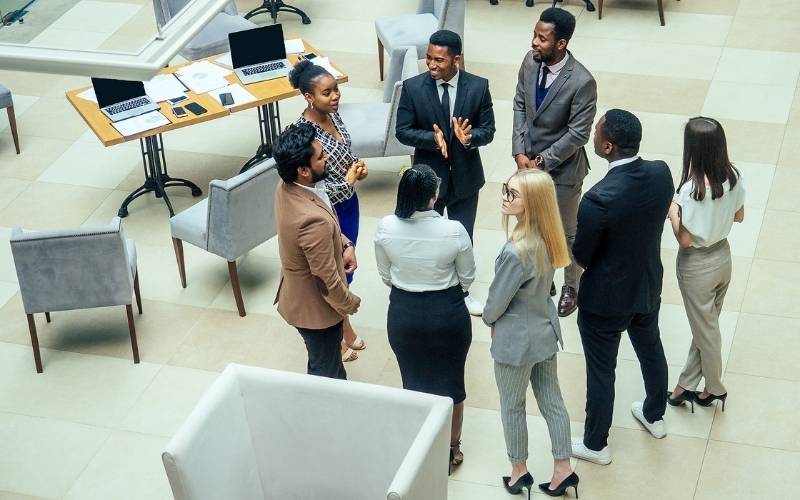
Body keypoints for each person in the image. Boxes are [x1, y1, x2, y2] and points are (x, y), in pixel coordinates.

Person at [571, 109, 674, 465]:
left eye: (597, 131)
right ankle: (654, 414)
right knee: (651, 349)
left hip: (606, 300)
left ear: (608, 146)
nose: (594, 134)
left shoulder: (599, 198)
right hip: (647, 286)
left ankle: (596, 444)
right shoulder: (662, 173)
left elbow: (582, 255)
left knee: (602, 370)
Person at [483, 169, 578, 499]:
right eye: (505, 190)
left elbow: (495, 304)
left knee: (512, 405)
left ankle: (519, 471)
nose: (505, 198)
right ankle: (563, 469)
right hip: (545, 331)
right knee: (552, 401)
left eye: (512, 193)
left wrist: (487, 318)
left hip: (515, 342)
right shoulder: (549, 236)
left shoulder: (516, 252)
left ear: (532, 202)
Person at [374, 164, 475, 472]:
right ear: (435, 195)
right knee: (453, 384)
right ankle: (451, 449)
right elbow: (467, 277)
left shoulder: (385, 227)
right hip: (448, 314)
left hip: (404, 314)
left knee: (413, 381)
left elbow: (385, 275)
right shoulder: (454, 230)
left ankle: (420, 445)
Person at [395, 29, 496, 317]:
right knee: (426, 238)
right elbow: (401, 131)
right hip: (429, 180)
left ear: (456, 60)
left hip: (466, 179)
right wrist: (431, 138)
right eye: (428, 58)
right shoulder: (413, 88)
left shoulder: (478, 87)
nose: (431, 65)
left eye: (438, 60)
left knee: (463, 238)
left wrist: (469, 139)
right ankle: (429, 287)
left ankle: (462, 291)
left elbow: (488, 130)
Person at [512, 7, 597, 318]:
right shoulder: (528, 62)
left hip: (562, 170)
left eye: (541, 38)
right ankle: (542, 277)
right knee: (531, 224)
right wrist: (519, 152)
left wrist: (540, 162)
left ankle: (570, 286)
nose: (534, 42)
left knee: (566, 232)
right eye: (535, 34)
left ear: (560, 44)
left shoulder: (582, 81)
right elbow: (520, 104)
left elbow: (578, 134)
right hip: (527, 162)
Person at [288, 59, 369, 364]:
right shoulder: (304, 133)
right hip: (327, 210)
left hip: (350, 203)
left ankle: (344, 325)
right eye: (327, 93)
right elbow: (312, 186)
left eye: (336, 90)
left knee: (346, 267)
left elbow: (345, 151)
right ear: (309, 97)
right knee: (333, 273)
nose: (335, 96)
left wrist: (356, 168)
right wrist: (348, 181)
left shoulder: (333, 116)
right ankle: (337, 333)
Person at [666, 117, 745, 413]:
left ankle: (714, 387)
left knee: (706, 331)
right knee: (706, 327)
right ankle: (685, 385)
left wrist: (673, 211)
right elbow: (738, 217)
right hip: (723, 259)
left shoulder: (690, 190)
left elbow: (684, 240)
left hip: (697, 267)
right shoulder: (734, 175)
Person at [272, 122, 361, 380]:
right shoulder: (311, 221)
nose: (328, 157)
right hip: (315, 312)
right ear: (303, 170)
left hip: (300, 292)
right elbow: (326, 281)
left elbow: (326, 217)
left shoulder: (289, 185)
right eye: (321, 157)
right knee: (327, 372)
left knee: (324, 364)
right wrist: (349, 303)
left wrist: (346, 244)